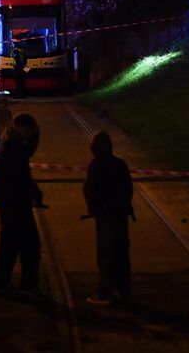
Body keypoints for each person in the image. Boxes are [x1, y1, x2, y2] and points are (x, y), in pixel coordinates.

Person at [0, 113, 44, 299]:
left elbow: (26, 156)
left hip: (9, 201)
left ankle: (0, 283)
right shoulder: (13, 146)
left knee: (10, 244)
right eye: (29, 131)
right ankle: (27, 285)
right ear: (22, 128)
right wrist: (34, 193)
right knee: (30, 245)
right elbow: (22, 174)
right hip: (14, 202)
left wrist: (36, 136)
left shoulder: (10, 141)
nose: (29, 135)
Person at [83, 131, 134, 305]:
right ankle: (123, 288)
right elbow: (128, 189)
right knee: (121, 252)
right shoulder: (120, 164)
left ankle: (105, 290)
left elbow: (90, 190)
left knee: (106, 253)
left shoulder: (96, 165)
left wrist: (95, 208)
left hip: (105, 216)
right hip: (120, 215)